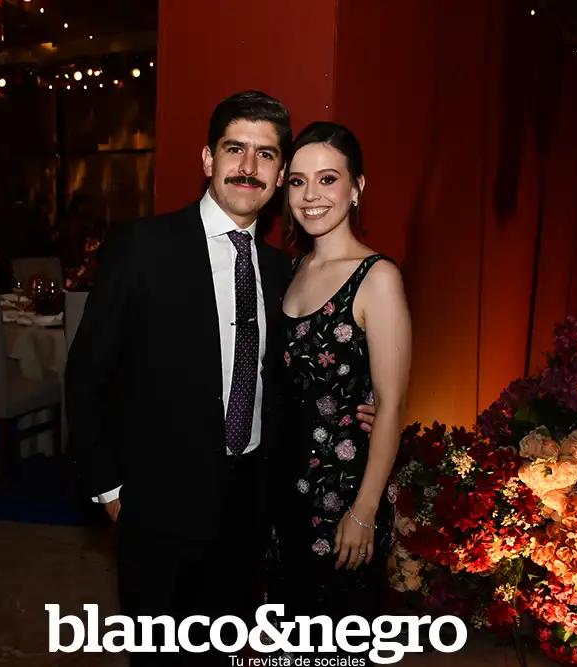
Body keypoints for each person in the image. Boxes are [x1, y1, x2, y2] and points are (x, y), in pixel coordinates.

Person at [65, 92, 375, 666]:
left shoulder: (283, 272)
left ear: (280, 175)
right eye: (236, 149)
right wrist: (108, 489)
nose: (248, 167)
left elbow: (301, 372)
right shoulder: (142, 247)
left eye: (266, 155)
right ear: (209, 158)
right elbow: (86, 376)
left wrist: (359, 406)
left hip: (249, 510)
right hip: (155, 508)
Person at [268, 122, 412, 651]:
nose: (312, 195)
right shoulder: (291, 269)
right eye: (298, 181)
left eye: (328, 179)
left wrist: (364, 510)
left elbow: (391, 405)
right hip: (282, 491)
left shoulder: (377, 278)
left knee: (337, 645)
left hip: (343, 497)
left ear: (357, 187)